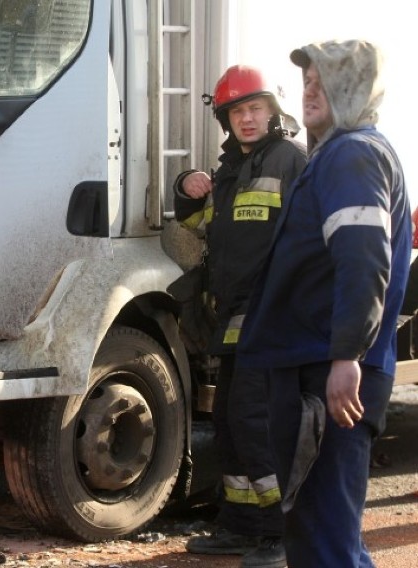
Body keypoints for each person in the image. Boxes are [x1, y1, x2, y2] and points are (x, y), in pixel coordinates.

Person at [237, 40, 411, 568]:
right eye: (307, 80)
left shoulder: (353, 154)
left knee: (324, 539)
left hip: (325, 373)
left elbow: (363, 262)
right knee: (324, 531)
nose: (309, 89)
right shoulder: (342, 153)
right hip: (317, 365)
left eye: (324, 80)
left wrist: (345, 357)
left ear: (354, 88)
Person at [175, 65, 307, 568]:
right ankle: (240, 524)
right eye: (236, 112)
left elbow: (308, 239)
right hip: (232, 315)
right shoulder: (229, 170)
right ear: (226, 120)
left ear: (273, 111)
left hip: (272, 314)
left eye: (255, 109)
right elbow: (197, 223)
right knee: (230, 418)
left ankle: (279, 531)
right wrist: (185, 185)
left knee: (256, 420)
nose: (246, 119)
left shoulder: (291, 159)